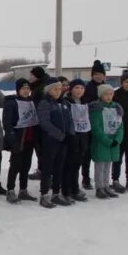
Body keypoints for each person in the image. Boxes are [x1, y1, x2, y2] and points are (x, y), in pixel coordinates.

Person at [37, 77, 74, 208]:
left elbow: (70, 120)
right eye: (55, 89)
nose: (58, 91)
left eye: (59, 89)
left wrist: (70, 134)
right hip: (50, 141)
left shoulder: (64, 103)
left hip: (63, 141)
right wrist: (60, 136)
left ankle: (56, 194)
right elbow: (45, 123)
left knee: (59, 167)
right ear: (48, 90)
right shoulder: (44, 103)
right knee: (48, 169)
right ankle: (44, 195)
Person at [2, 79, 39, 204]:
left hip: (30, 139)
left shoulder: (31, 101)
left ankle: (23, 190)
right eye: (23, 88)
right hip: (18, 139)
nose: (26, 91)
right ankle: (10, 190)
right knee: (15, 165)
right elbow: (7, 124)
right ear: (18, 90)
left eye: (28, 88)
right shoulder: (11, 102)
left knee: (26, 166)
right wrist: (12, 140)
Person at [90, 84, 125, 199]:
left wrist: (117, 140)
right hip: (101, 143)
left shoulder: (116, 108)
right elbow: (96, 128)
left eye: (111, 94)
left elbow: (120, 127)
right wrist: (107, 140)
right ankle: (99, 187)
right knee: (100, 166)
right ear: (101, 95)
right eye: (106, 94)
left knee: (108, 166)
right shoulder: (97, 108)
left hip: (113, 143)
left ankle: (106, 186)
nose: (109, 96)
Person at [62, 79, 91, 202]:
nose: (79, 90)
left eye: (82, 88)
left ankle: (75, 188)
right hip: (71, 138)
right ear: (71, 89)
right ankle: (66, 190)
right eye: (76, 88)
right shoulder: (66, 102)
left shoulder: (85, 102)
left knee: (77, 165)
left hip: (82, 138)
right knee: (68, 166)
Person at [81, 60, 108, 188]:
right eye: (96, 74)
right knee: (87, 153)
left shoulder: (106, 87)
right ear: (92, 75)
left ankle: (103, 179)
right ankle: (86, 178)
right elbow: (83, 104)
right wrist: (93, 105)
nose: (98, 76)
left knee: (101, 152)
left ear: (104, 75)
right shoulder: (88, 88)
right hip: (89, 125)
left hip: (103, 126)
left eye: (101, 74)